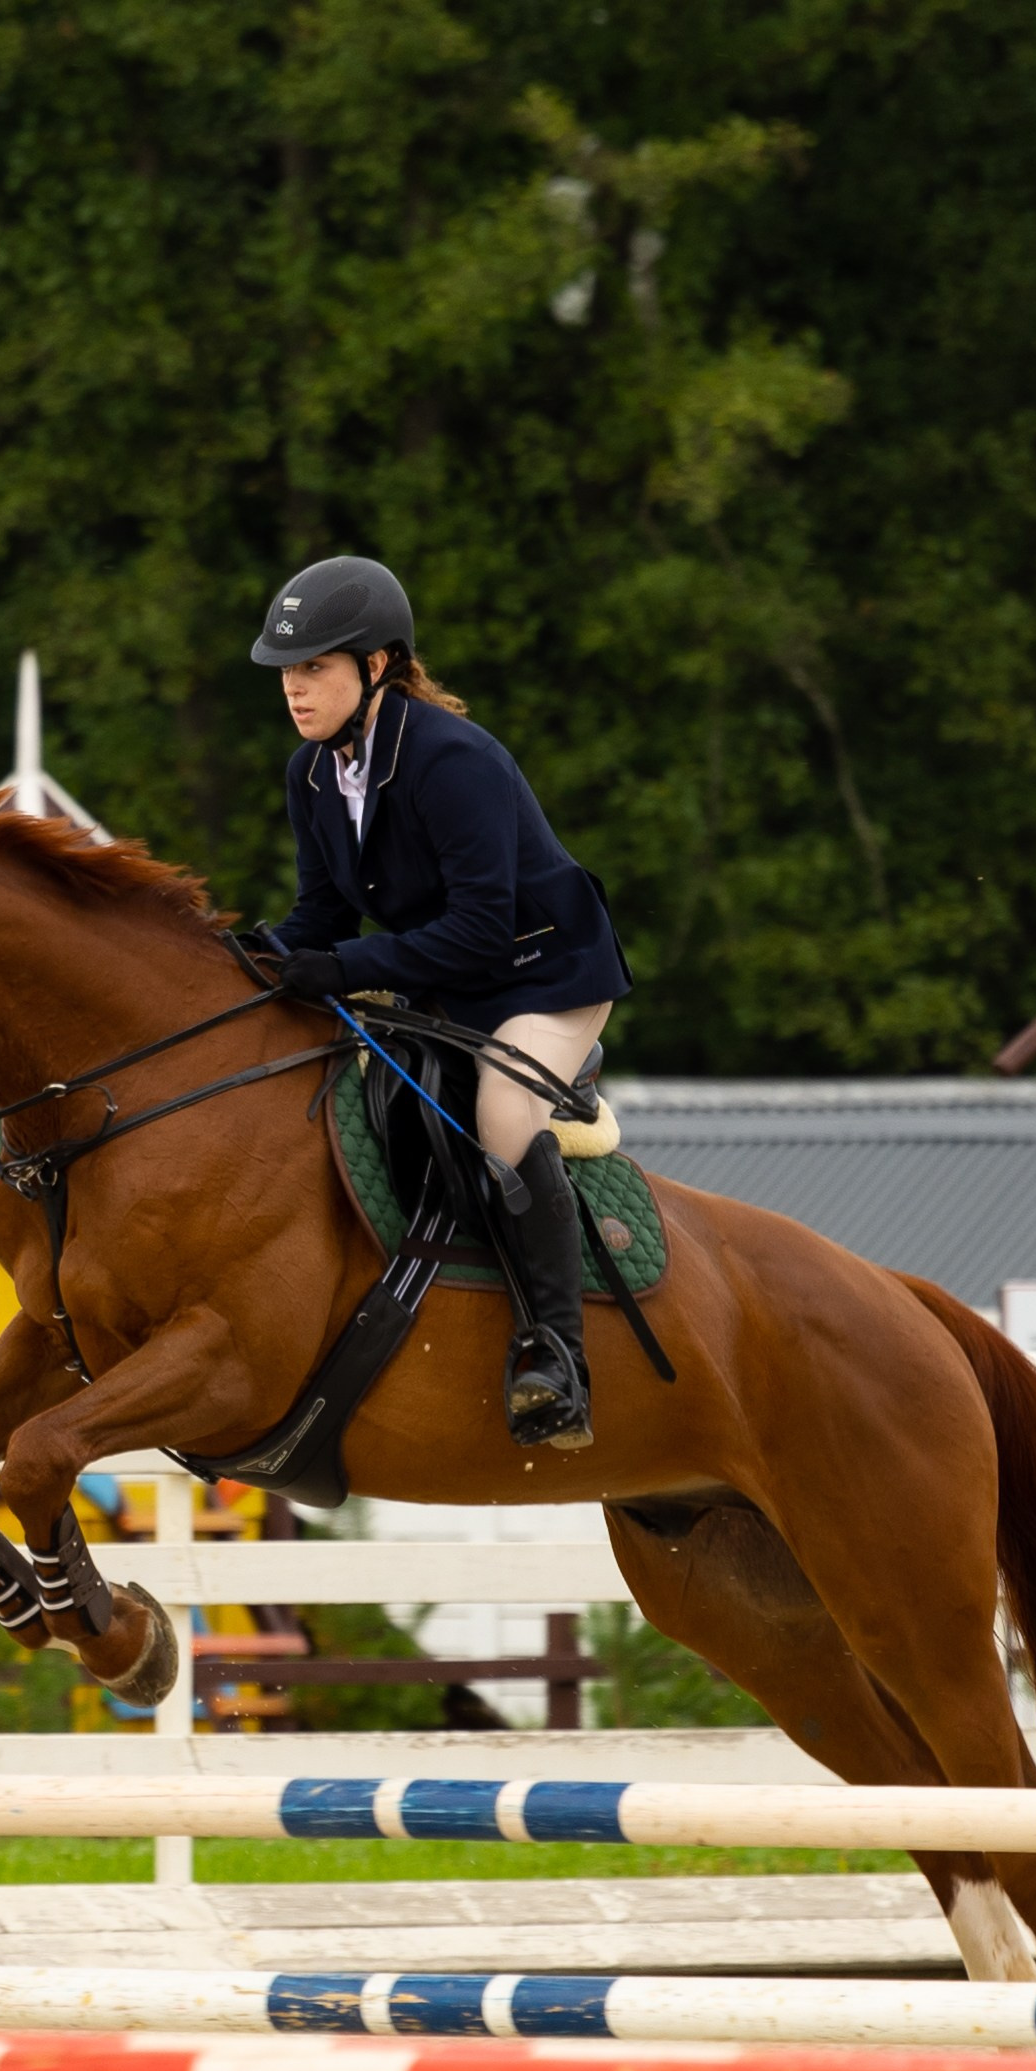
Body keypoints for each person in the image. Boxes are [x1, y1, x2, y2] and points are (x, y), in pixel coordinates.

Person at [252, 554, 630, 1449]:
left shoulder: (452, 760)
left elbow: (481, 931)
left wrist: (339, 967)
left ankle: (557, 1361)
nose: (294, 689)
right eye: (287, 671)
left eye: (314, 668)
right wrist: (246, 959)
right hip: (447, 980)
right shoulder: (312, 774)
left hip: (544, 974)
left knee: (501, 1113)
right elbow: (321, 916)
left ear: (376, 665)